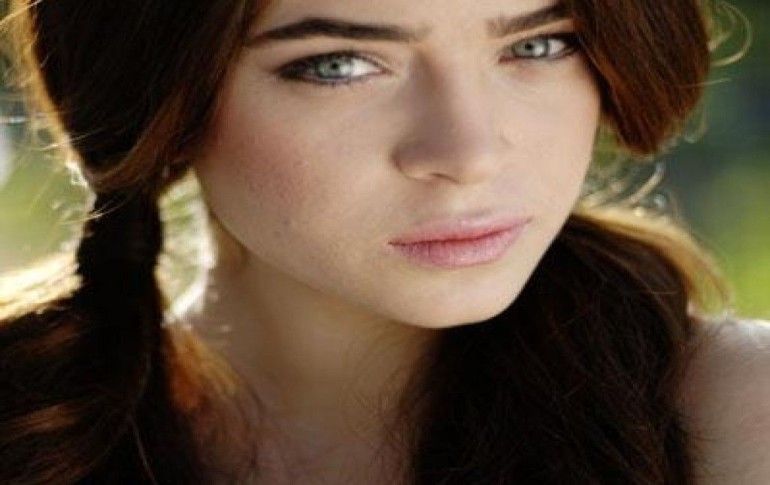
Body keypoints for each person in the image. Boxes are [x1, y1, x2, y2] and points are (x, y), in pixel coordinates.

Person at [0, 0, 767, 483]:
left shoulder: (732, 418)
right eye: (340, 65)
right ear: (163, 100)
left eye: (538, 46)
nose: (468, 152)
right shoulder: (28, 427)